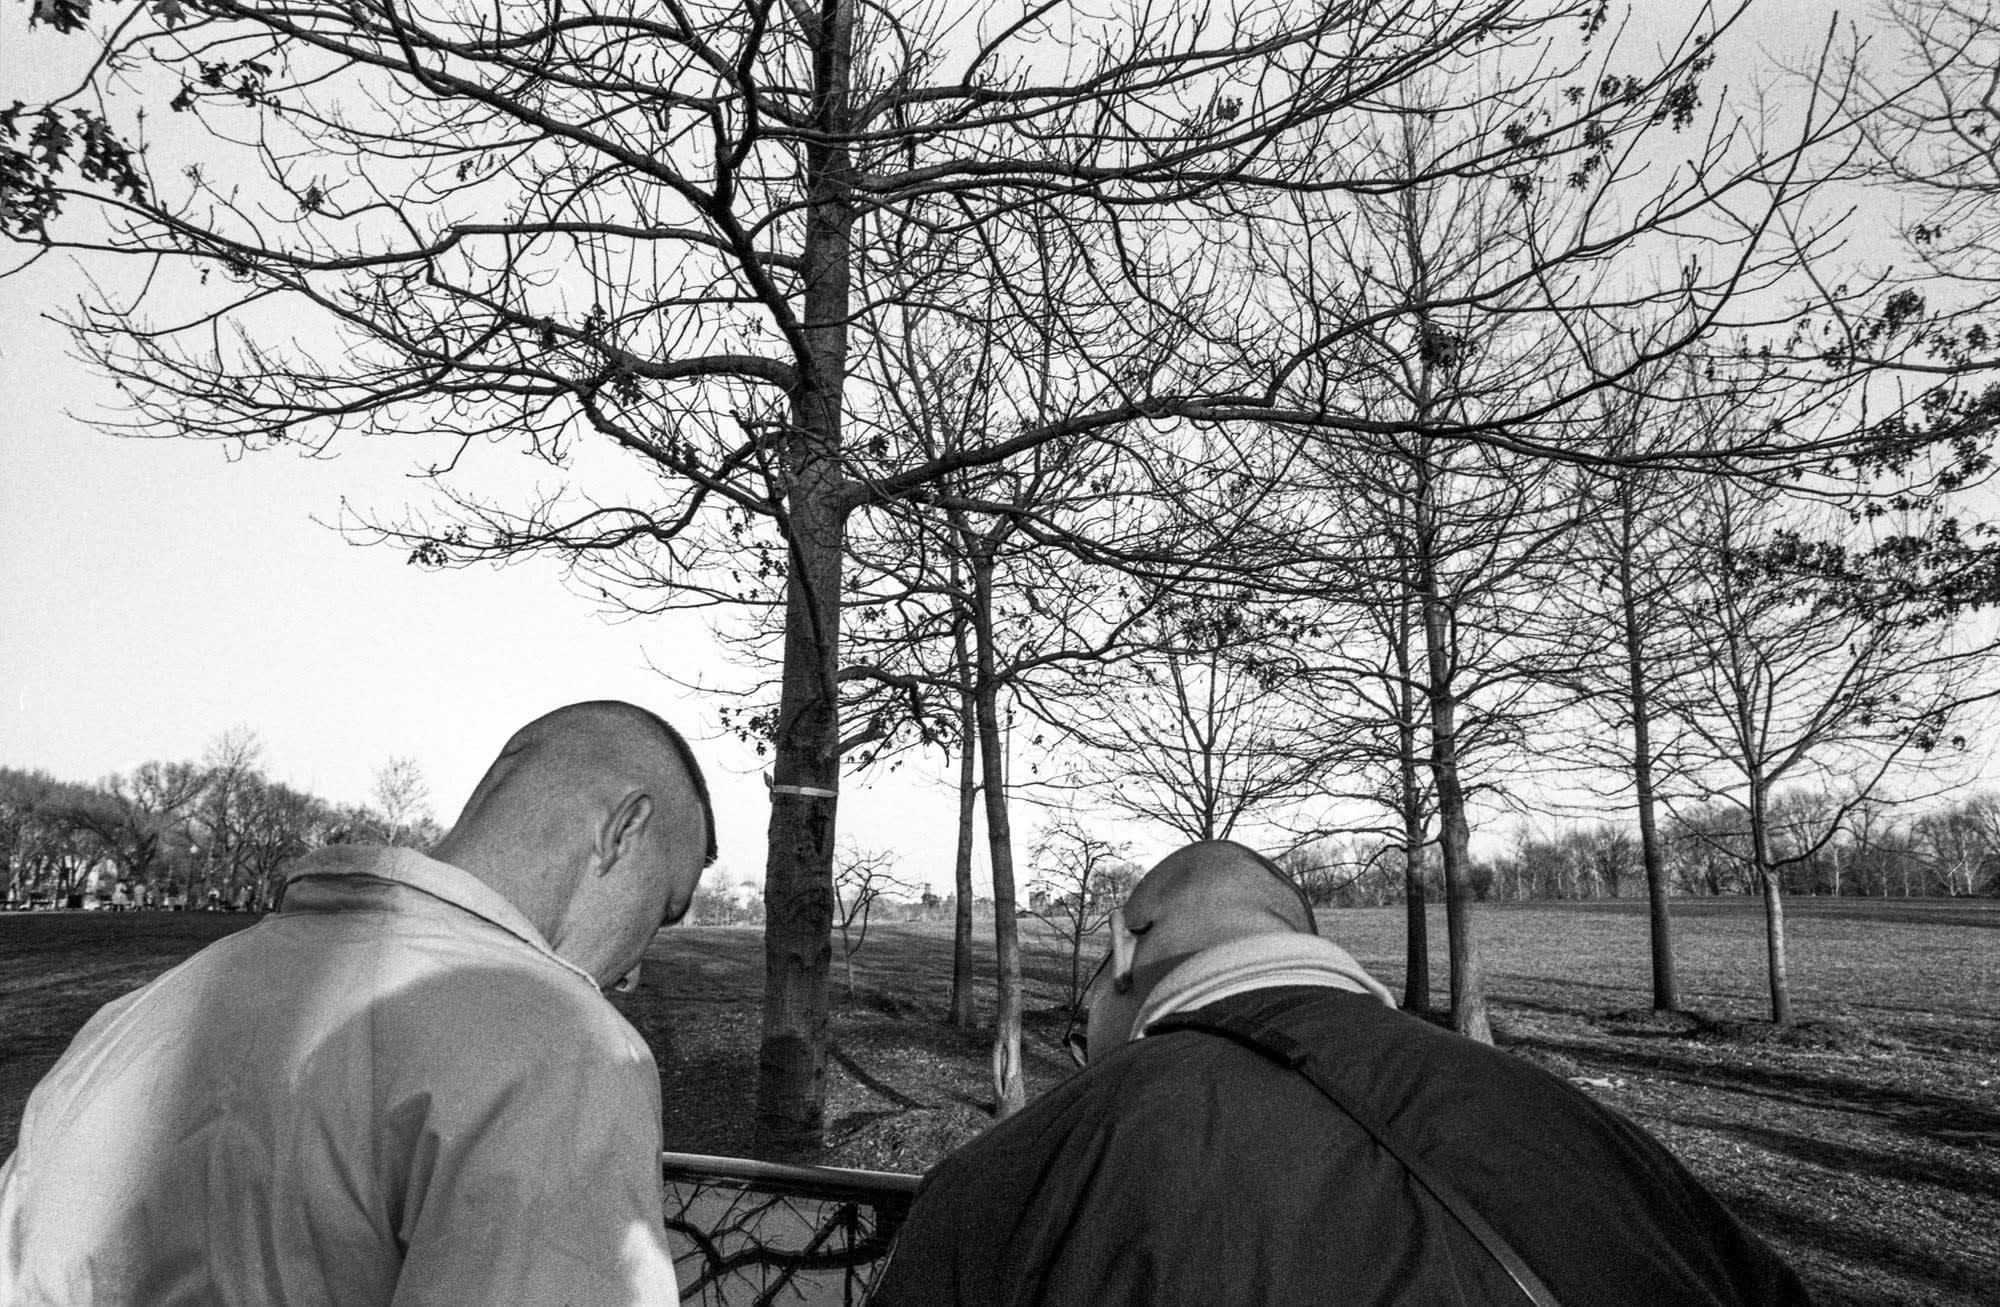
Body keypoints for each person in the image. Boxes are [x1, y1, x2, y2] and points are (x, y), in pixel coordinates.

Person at [871, 840, 1809, 1307]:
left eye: (1084, 1024)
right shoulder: (1607, 1143)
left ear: (1125, 948)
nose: (1086, 1043)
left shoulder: (1025, 1172)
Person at [0, 700, 717, 1306]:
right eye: (664, 906)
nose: (635, 965)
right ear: (621, 829)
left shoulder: (136, 1016)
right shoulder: (568, 1049)